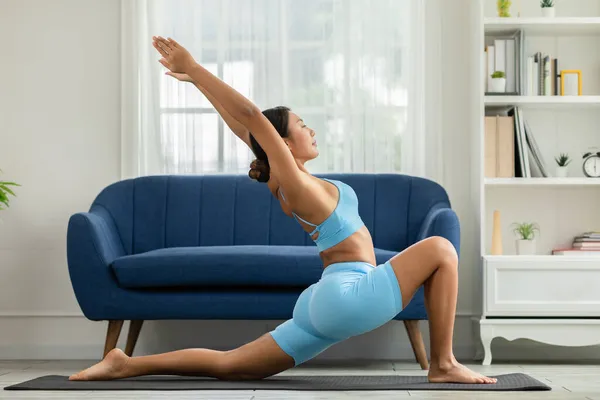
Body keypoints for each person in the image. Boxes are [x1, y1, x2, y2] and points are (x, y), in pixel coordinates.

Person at [69, 36, 496, 384]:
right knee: (441, 248)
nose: (311, 128)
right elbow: (252, 117)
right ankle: (442, 364)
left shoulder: (285, 180)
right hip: (349, 296)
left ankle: (125, 363)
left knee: (229, 364)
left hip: (322, 304)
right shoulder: (295, 182)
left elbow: (247, 129)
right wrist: (196, 68)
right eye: (301, 124)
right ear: (286, 144)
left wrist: (196, 83)